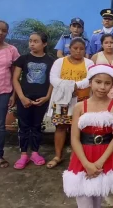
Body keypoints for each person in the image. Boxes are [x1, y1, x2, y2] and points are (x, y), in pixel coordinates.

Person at [63, 64, 113, 207]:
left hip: (104, 157)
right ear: (90, 82)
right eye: (98, 82)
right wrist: (86, 164)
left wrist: (100, 162)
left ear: (112, 85)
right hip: (83, 157)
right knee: (84, 202)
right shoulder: (80, 106)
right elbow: (74, 138)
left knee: (97, 202)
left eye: (107, 83)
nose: (102, 87)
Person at [47, 38, 94, 169]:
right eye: (75, 48)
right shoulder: (59, 62)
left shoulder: (89, 63)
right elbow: (53, 79)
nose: (78, 51)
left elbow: (89, 79)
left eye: (81, 49)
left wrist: (74, 86)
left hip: (81, 100)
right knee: (61, 127)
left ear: (85, 50)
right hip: (62, 101)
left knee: (80, 128)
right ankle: (58, 156)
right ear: (70, 49)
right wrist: (69, 88)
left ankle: (77, 158)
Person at [12, 32, 54, 169]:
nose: (32, 43)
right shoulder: (23, 59)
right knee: (23, 127)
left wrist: (47, 97)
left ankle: (35, 153)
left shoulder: (50, 61)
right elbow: (15, 79)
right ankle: (24, 154)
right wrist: (22, 97)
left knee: (36, 126)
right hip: (24, 99)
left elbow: (52, 81)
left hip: (41, 99)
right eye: (30, 41)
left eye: (36, 41)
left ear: (44, 44)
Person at [0, 20, 20, 169]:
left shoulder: (11, 50)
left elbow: (15, 74)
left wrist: (14, 95)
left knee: (0, 126)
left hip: (4, 91)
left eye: (3, 30)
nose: (0, 33)